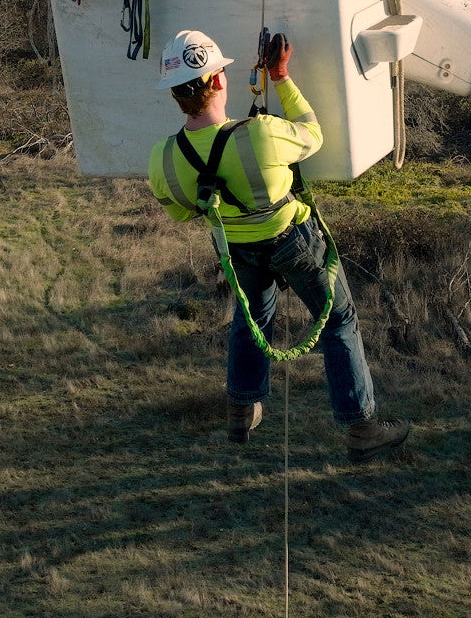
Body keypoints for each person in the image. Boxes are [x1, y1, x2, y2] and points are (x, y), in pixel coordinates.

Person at [148, 29, 409, 463]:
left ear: (175, 93)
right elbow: (313, 133)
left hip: (236, 251)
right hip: (295, 242)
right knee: (339, 321)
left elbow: (181, 211)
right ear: (217, 82)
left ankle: (242, 409)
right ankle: (361, 428)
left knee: (252, 319)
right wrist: (281, 76)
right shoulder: (262, 133)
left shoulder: (162, 157)